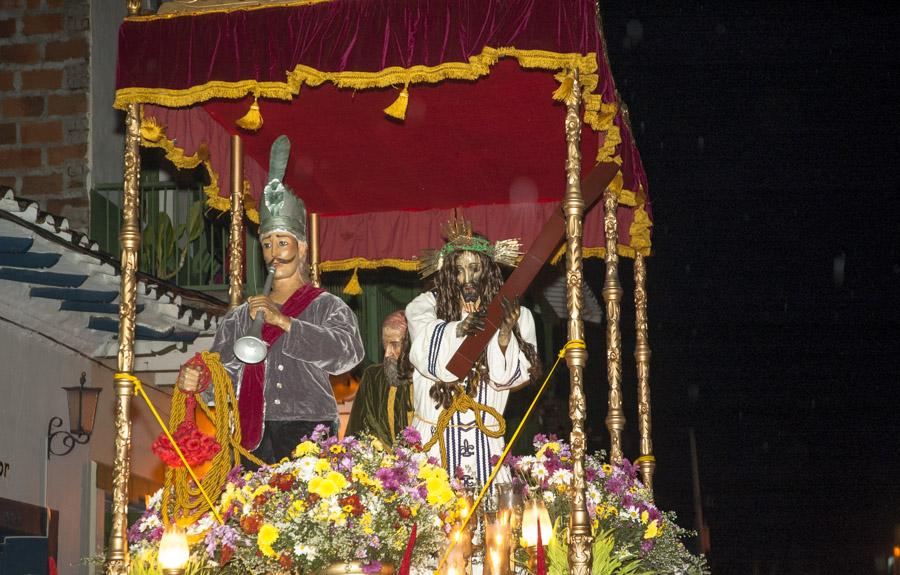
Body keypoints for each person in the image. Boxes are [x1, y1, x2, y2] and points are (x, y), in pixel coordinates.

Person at [177, 135, 364, 464]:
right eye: (267, 244)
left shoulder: (326, 306)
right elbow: (222, 377)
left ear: (302, 248)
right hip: (252, 433)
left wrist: (285, 323)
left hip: (309, 429)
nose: (273, 253)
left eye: (282, 243)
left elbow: (347, 355)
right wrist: (200, 379)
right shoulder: (239, 316)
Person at [406, 217, 541, 488]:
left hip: (486, 443)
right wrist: (459, 330)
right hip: (435, 442)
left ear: (488, 271)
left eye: (474, 269)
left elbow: (508, 380)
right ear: (447, 273)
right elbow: (426, 354)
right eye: (459, 270)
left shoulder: (517, 315)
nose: (467, 279)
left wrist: (503, 334)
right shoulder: (423, 308)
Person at [345, 311, 413, 446]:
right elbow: (356, 429)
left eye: (395, 344)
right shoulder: (372, 376)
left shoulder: (426, 378)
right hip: (380, 462)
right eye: (385, 343)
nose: (387, 353)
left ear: (411, 343)